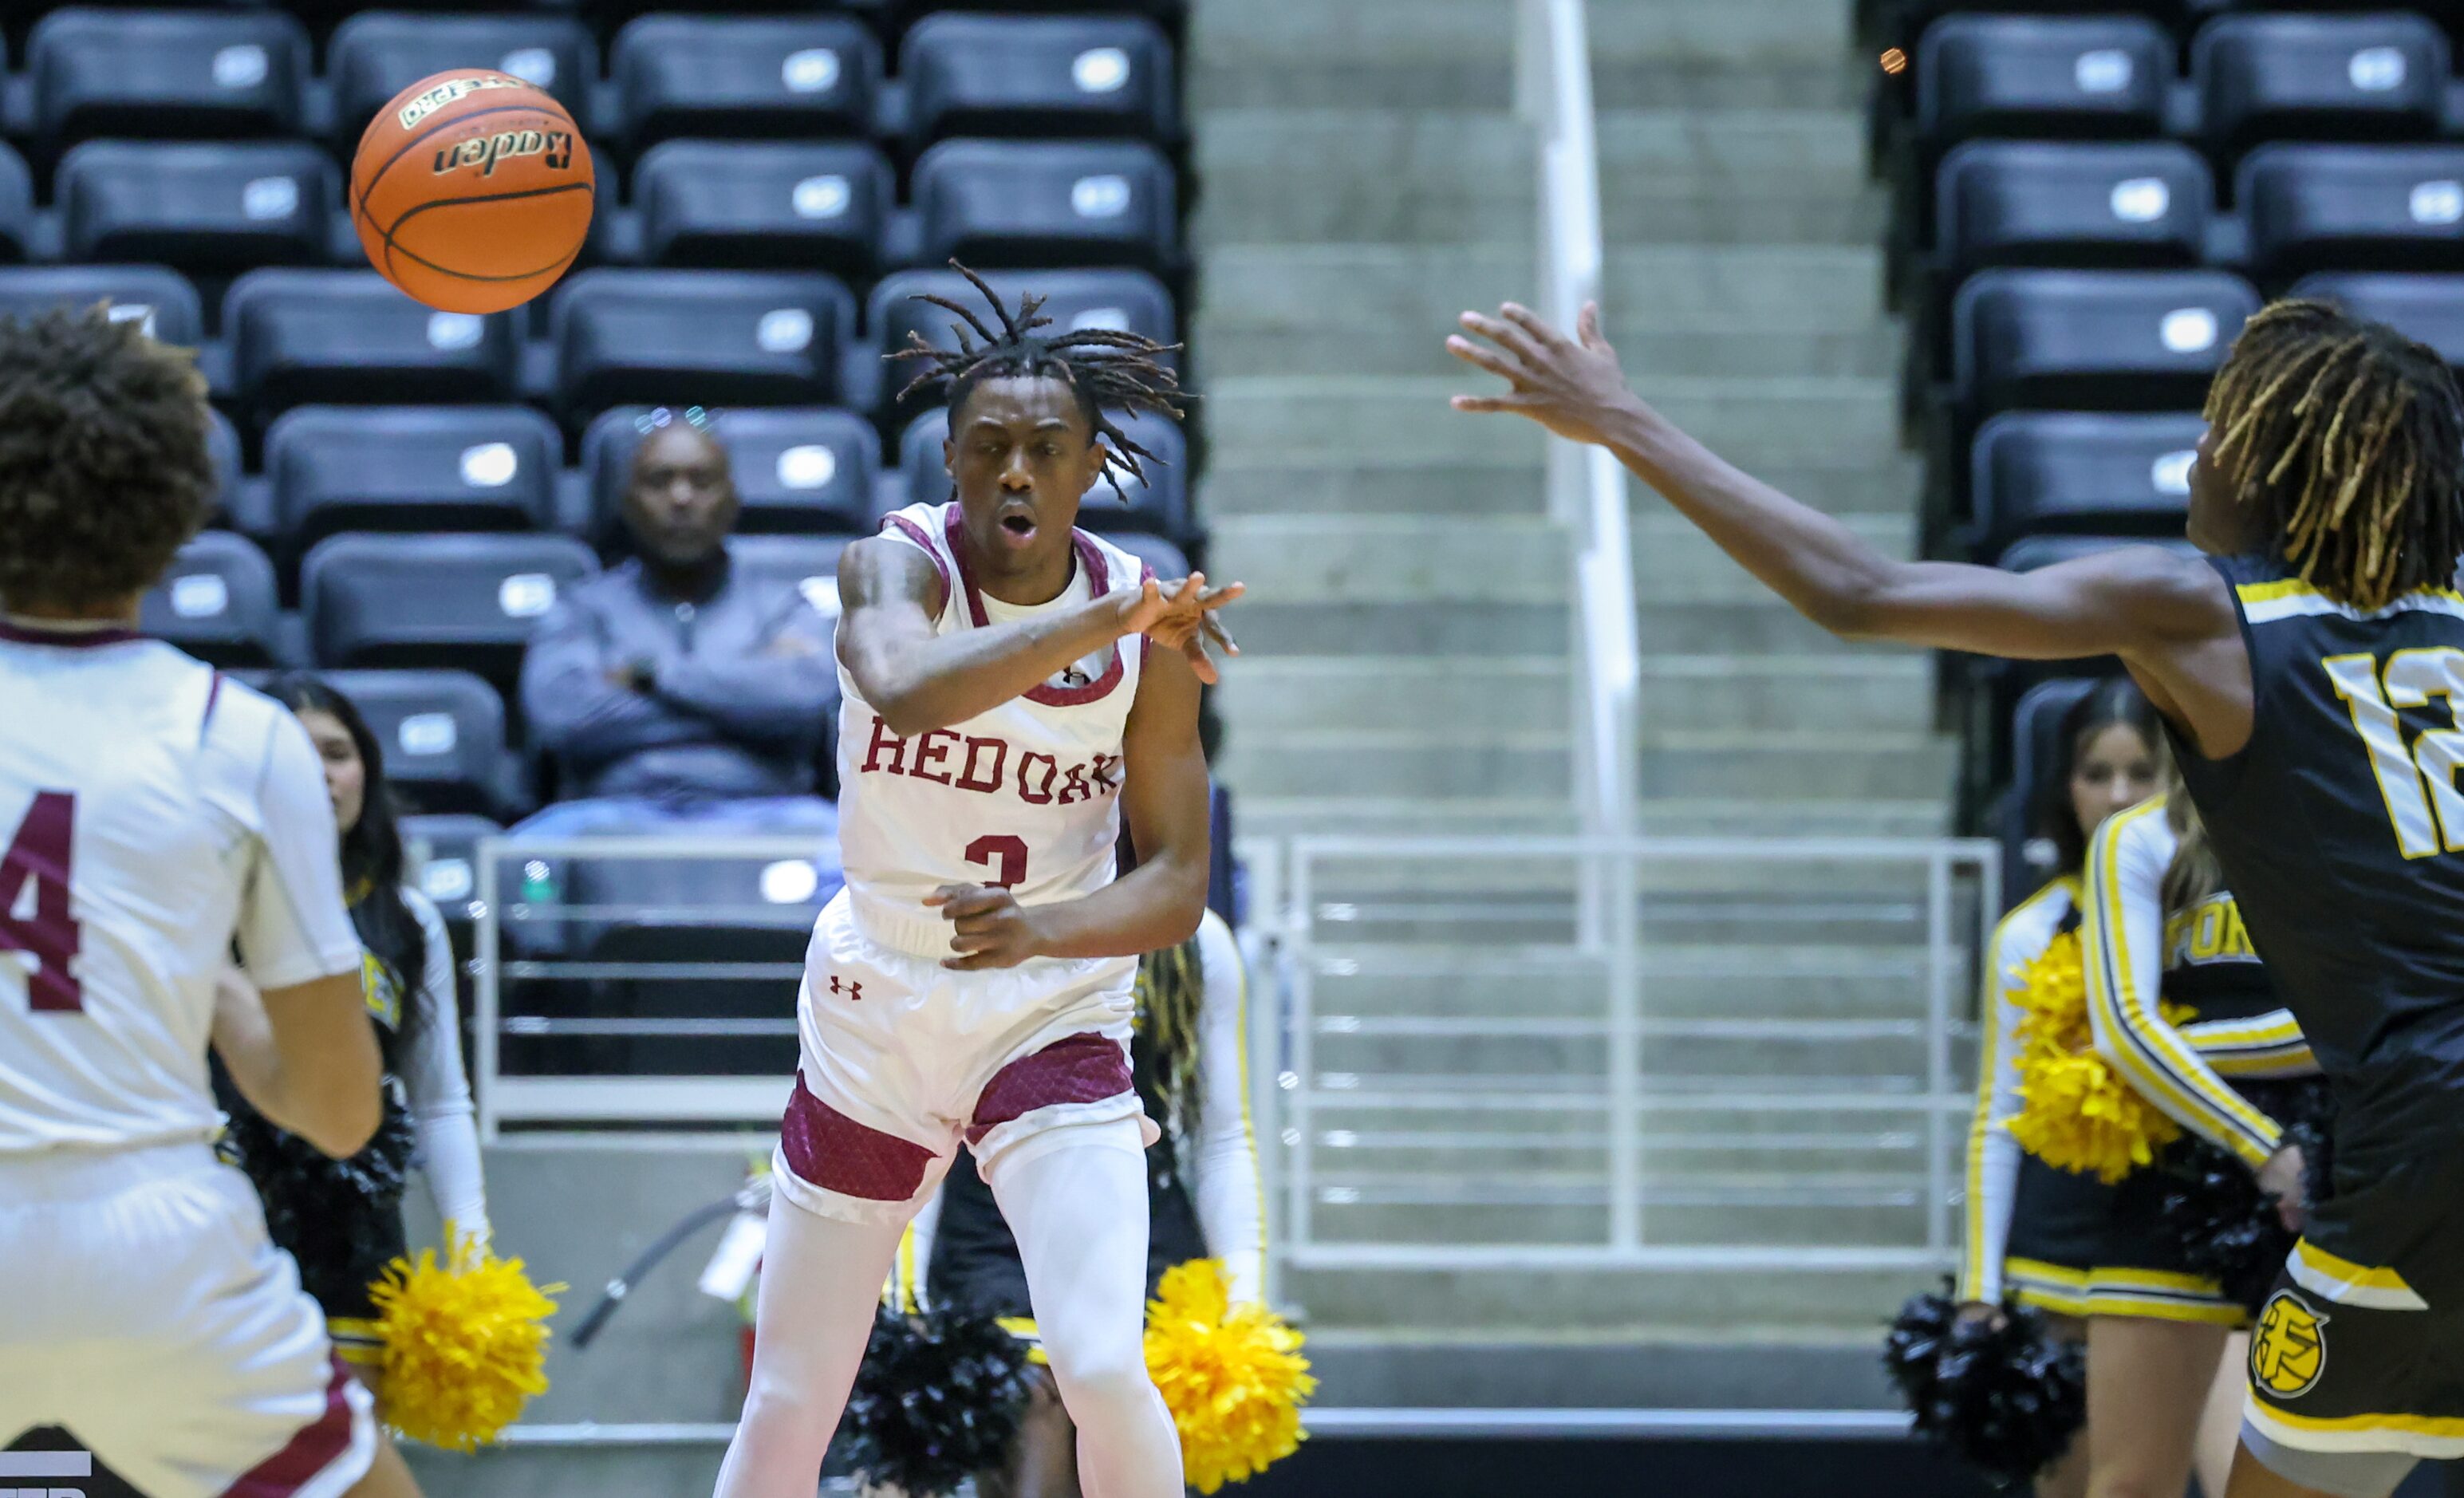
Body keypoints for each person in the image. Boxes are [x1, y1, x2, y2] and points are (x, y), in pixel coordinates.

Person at [1449, 295, 2464, 1498]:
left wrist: (1619, 418)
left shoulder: (2202, 611)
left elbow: (1858, 590)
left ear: (2276, 465)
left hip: (2421, 1131)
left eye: (2216, 431)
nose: (2195, 454)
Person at [711, 265, 1241, 1498]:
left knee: (1105, 1361)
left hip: (1048, 1004)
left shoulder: (1141, 636)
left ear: (1089, 463)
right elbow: (902, 686)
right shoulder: (891, 569)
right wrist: (1106, 623)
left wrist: (1042, 928)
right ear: (948, 458)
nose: (1016, 471)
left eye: (1046, 449)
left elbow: (1172, 885)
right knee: (796, 1387)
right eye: (988, 446)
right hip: (876, 997)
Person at [0, 307, 385, 1494]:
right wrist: (205, 982)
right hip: (156, 1243)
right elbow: (334, 1110)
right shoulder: (242, 734)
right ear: (177, 511)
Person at [213, 673, 491, 1498]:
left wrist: (468, 1238)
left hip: (355, 1232)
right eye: (295, 754)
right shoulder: (199, 900)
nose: (319, 773)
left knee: (335, 1468)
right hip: (224, 1221)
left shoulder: (405, 918)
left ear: (365, 772)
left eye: (336, 753)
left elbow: (439, 1098)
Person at [894, 907, 1263, 1498]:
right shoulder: (969, 918)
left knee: (1118, 1429)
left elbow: (1220, 1139)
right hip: (991, 1241)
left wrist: (1245, 1302)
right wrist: (903, 1299)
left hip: (1141, 1245)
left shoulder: (1190, 935)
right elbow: (920, 1123)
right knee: (1032, 1423)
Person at [518, 412, 841, 838]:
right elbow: (561, 716)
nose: (681, 498)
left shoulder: (782, 606)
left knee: (848, 858)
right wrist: (743, 691)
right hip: (607, 818)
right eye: (659, 481)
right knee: (525, 858)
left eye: (702, 482)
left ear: (732, 500)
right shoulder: (583, 608)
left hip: (769, 816)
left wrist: (646, 676)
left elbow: (802, 699)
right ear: (627, 502)